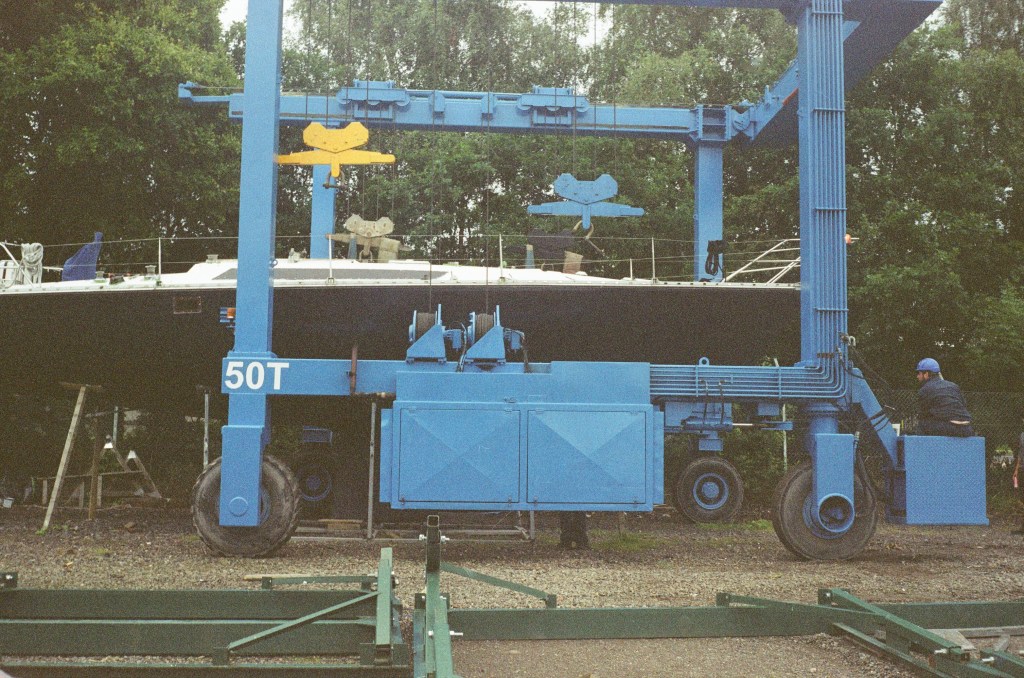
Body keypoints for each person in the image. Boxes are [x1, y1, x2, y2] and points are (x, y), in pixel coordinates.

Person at [915, 358, 974, 437]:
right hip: (967, 429)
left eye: (919, 373)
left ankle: (927, 449)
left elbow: (923, 414)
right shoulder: (954, 386)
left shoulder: (925, 390)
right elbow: (964, 404)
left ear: (926, 374)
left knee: (922, 424)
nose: (917, 376)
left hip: (948, 428)